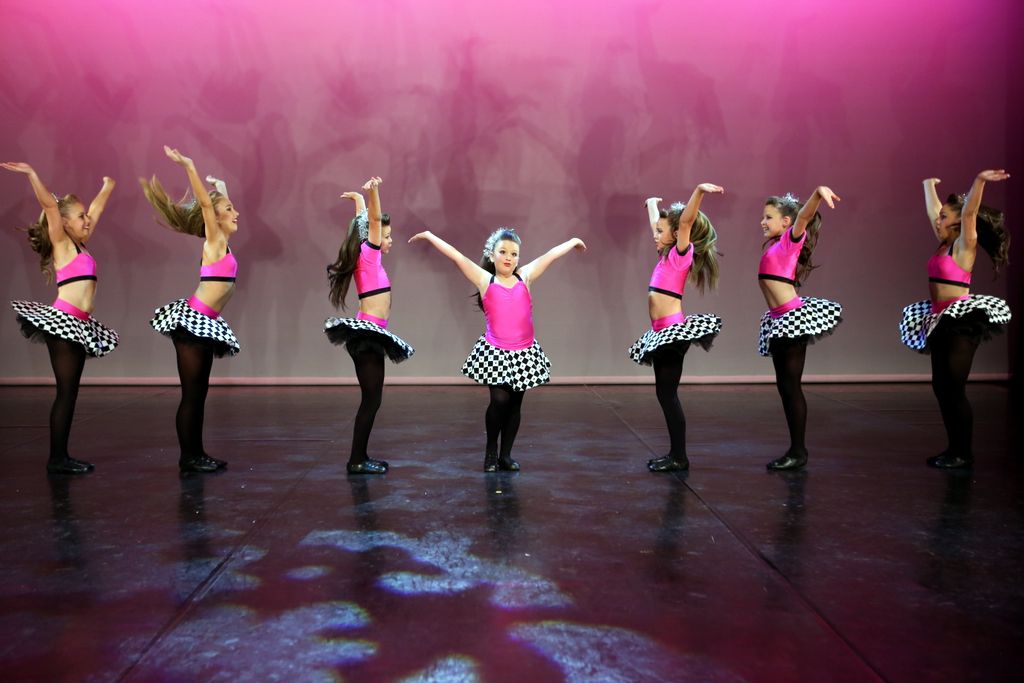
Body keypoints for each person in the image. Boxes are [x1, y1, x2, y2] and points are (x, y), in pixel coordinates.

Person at [409, 227, 585, 471]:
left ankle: (506, 455)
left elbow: (550, 255)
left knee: (515, 405)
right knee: (499, 400)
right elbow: (457, 256)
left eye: (514, 254)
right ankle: (491, 451)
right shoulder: (485, 280)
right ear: (492, 255)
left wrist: (573, 240)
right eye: (503, 252)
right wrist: (429, 235)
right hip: (497, 352)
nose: (508, 258)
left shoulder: (524, 277)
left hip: (524, 352)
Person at [4, 162, 118, 474]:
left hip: (78, 324)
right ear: (64, 223)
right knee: (66, 393)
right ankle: (57, 459)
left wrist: (107, 186)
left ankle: (60, 456)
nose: (87, 220)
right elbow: (49, 206)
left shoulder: (80, 244)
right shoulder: (63, 243)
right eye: (80, 217)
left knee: (70, 392)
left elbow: (95, 210)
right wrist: (32, 174)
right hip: (64, 323)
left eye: (85, 217)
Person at [899, 171, 1012, 469]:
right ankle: (954, 448)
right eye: (940, 216)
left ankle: (963, 452)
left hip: (960, 320)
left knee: (954, 388)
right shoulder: (943, 242)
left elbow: (970, 212)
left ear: (959, 221)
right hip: (939, 318)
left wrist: (979, 181)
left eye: (945, 217)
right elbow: (933, 212)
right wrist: (927, 185)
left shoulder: (964, 245)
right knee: (942, 387)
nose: (938, 220)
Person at [140, 146, 241, 474]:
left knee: (199, 393)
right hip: (193, 323)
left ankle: (196, 454)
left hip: (206, 323)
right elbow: (206, 205)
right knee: (192, 395)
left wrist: (221, 187)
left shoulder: (224, 242)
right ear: (215, 218)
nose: (236, 213)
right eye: (229, 209)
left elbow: (216, 204)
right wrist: (190, 166)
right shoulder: (213, 241)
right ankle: (189, 457)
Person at [630, 185, 723, 472]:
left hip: (672, 333)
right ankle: (675, 454)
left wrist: (699, 192)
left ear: (676, 235)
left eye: (661, 232)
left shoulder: (680, 255)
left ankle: (679, 456)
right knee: (664, 394)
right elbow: (659, 225)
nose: (655, 235)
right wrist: (652, 204)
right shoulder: (665, 254)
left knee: (668, 396)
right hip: (661, 333)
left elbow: (684, 222)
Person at [324, 177, 414, 475]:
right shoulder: (370, 254)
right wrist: (373, 193)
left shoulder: (365, 253)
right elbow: (373, 221)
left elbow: (365, 224)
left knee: (372, 400)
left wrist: (359, 202)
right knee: (371, 401)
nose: (389, 240)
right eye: (386, 236)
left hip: (370, 334)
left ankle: (360, 457)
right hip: (368, 335)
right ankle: (357, 460)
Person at [756, 187, 843, 470]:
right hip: (780, 320)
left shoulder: (789, 241)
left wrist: (817, 194)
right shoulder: (776, 245)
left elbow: (803, 217)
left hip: (791, 319)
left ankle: (798, 451)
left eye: (768, 217)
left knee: (791, 388)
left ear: (786, 222)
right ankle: (796, 449)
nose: (763, 222)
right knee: (786, 387)